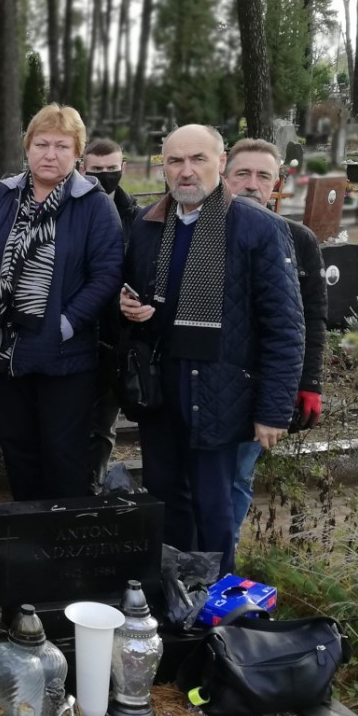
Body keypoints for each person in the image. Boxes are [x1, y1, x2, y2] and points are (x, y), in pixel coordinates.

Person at [120, 124, 304, 573]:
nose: (186, 172)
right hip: (162, 386)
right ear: (162, 167)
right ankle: (175, 592)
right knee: (166, 497)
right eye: (175, 161)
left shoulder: (256, 227)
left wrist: (273, 410)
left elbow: (284, 326)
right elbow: (140, 291)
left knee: (213, 505)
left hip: (220, 387)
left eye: (197, 159)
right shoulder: (148, 225)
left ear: (221, 163)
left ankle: (218, 606)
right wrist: (128, 304)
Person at [0, 104, 123, 500]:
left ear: (77, 153)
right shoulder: (2, 197)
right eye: (42, 144)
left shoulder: (94, 205)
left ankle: (62, 536)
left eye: (62, 146)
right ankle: (28, 534)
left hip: (64, 356)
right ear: (27, 148)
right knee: (19, 450)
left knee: (63, 454)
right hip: (6, 349)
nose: (51, 154)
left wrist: (64, 324)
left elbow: (106, 275)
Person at [221, 138, 327, 540]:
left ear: (276, 182)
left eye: (262, 175)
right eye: (242, 174)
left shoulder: (300, 240)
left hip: (261, 383)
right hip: (209, 379)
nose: (251, 184)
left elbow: (312, 318)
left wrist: (308, 383)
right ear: (224, 176)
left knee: (237, 476)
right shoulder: (202, 231)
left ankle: (220, 564)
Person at [83, 137, 141, 488]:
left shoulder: (136, 215)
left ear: (123, 168)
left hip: (119, 335)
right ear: (82, 169)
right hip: (81, 330)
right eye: (96, 170)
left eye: (111, 170)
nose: (105, 176)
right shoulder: (74, 209)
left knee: (105, 419)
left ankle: (95, 481)